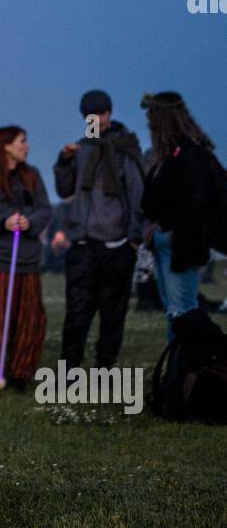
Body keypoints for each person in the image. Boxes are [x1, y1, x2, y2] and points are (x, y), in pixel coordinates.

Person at [54, 89, 145, 370]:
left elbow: (137, 194)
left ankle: (105, 368)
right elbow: (65, 190)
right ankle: (70, 370)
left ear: (109, 113)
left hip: (116, 246)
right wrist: (64, 162)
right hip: (82, 245)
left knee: (112, 315)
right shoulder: (81, 150)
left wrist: (133, 238)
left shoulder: (124, 149)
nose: (95, 120)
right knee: (77, 313)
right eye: (89, 116)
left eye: (99, 114)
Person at [0, 128, 51, 390]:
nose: (27, 146)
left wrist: (31, 221)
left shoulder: (32, 175)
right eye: (22, 142)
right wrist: (3, 222)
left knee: (28, 320)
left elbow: (45, 210)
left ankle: (20, 372)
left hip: (28, 262)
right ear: (6, 146)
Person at [140, 91, 224, 340]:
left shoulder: (188, 154)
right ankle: (179, 369)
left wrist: (165, 222)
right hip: (170, 242)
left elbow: (196, 199)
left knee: (183, 312)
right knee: (174, 312)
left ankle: (186, 370)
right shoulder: (170, 154)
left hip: (182, 244)